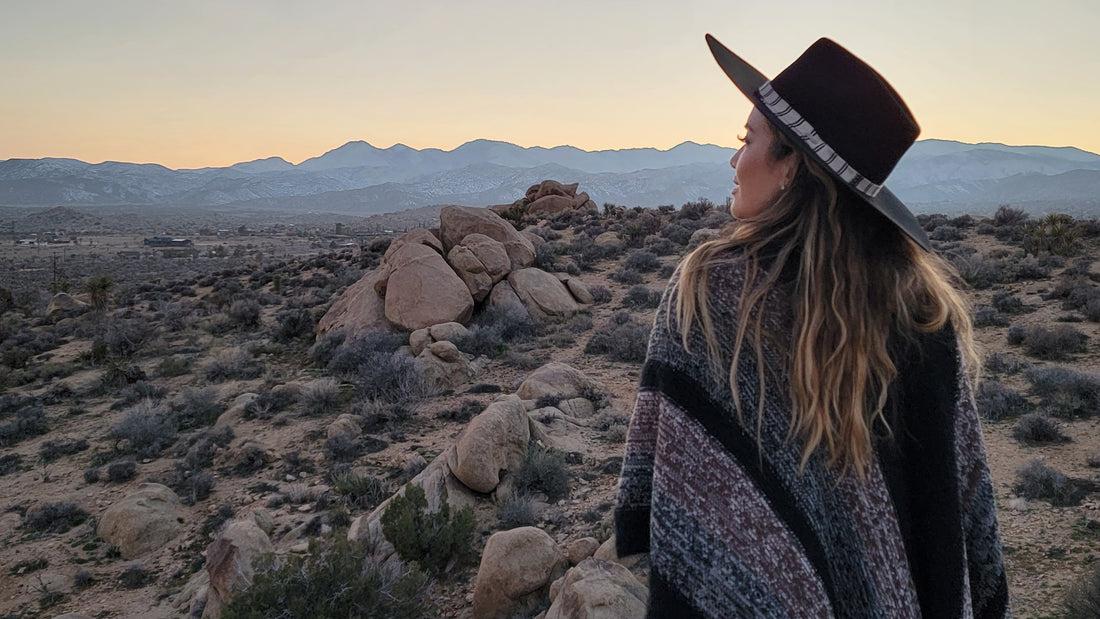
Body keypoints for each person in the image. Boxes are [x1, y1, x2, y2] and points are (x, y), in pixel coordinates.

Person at [614, 34, 1010, 618]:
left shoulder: (711, 293)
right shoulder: (925, 310)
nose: (734, 159)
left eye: (747, 140)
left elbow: (694, 516)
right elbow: (958, 519)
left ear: (791, 164)